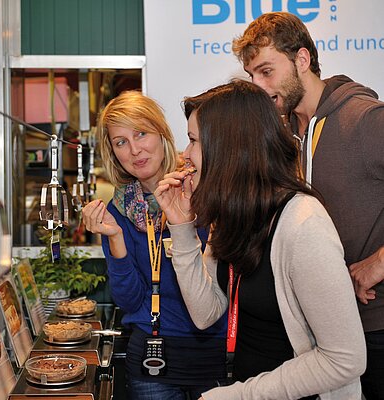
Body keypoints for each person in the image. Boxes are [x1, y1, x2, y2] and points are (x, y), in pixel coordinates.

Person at [154, 80, 366, 399]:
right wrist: (181, 227)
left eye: (193, 141)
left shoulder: (303, 224)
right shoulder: (233, 215)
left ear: (228, 147)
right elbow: (205, 312)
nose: (185, 154)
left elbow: (345, 359)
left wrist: (239, 395)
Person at [232, 12, 384, 399]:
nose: (260, 87)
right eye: (252, 76)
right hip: (313, 334)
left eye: (266, 71)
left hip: (375, 328)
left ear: (302, 59)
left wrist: (379, 262)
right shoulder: (285, 136)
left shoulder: (364, 119)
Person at [82, 90, 227, 400]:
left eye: (141, 134)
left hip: (213, 355)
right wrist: (116, 240)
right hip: (152, 361)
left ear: (161, 131)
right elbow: (131, 303)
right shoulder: (118, 211)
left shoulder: (200, 189)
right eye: (121, 142)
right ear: (113, 152)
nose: (135, 150)